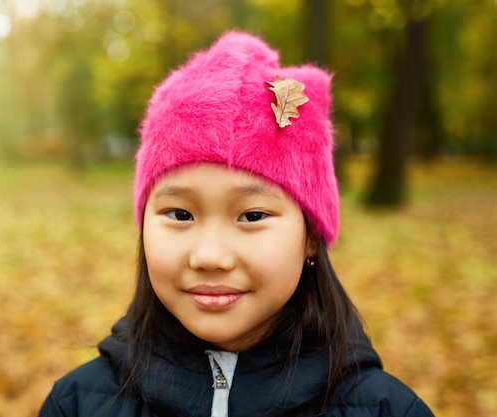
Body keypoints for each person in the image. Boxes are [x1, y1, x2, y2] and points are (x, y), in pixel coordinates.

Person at [38, 31, 434, 417]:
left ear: (311, 236)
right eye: (180, 214)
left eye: (252, 215)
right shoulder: (77, 404)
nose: (210, 256)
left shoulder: (385, 409)